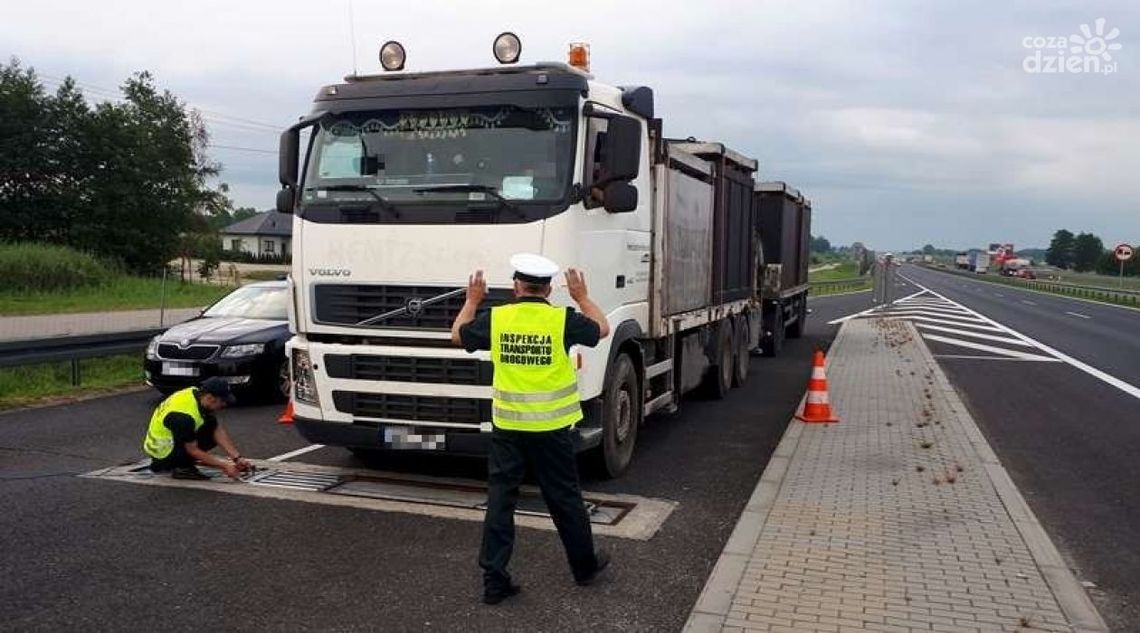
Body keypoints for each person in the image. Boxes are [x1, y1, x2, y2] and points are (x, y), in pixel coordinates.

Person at [451, 253, 613, 605]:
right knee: (565, 499)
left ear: (516, 286)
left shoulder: (498, 317)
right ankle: (584, 568)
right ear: (549, 289)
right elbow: (602, 328)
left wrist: (472, 301)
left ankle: (495, 580)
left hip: (508, 428)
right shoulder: (562, 319)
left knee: (501, 500)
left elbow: (457, 336)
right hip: (553, 430)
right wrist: (582, 297)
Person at [142, 377, 252, 480]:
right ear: (210, 397)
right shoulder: (184, 417)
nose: (224, 405)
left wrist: (237, 458)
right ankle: (182, 468)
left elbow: (216, 428)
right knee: (195, 442)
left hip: (173, 437)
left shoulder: (196, 394)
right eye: (222, 401)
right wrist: (224, 466)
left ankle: (182, 462)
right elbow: (193, 450)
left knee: (210, 424)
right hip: (162, 452)